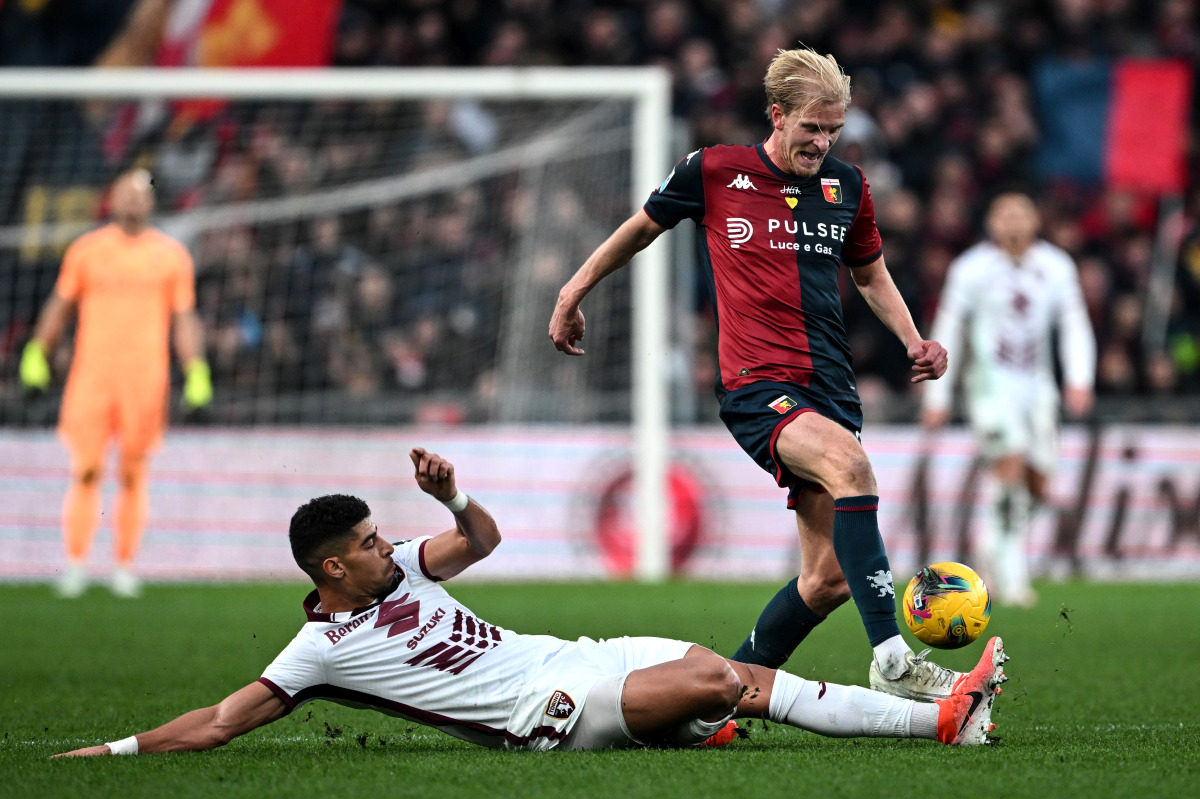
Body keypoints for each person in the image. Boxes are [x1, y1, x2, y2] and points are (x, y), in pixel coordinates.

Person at [55, 447, 1008, 758]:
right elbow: (223, 721)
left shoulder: (405, 569)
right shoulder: (317, 655)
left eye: (383, 535)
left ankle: (940, 722)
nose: (386, 549)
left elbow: (480, 541)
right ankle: (940, 718)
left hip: (567, 653)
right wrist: (114, 750)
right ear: (329, 573)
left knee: (740, 677)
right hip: (540, 713)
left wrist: (451, 500)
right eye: (366, 546)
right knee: (729, 679)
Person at [549, 47, 956, 701]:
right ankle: (893, 661)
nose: (821, 143)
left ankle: (722, 696)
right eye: (810, 129)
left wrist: (914, 339)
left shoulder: (847, 186)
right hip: (757, 385)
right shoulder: (714, 171)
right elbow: (640, 229)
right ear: (777, 116)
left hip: (831, 389)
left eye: (833, 131)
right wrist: (573, 292)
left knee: (827, 579)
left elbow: (870, 273)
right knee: (852, 468)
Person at [19, 169, 212, 599]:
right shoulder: (87, 250)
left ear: (152, 203)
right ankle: (75, 565)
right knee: (85, 471)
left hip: (146, 381)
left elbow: (184, 318)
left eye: (141, 194)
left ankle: (124, 566)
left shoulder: (170, 255)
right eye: (126, 192)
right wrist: (37, 353)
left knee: (132, 474)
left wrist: (196, 371)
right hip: (91, 378)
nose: (133, 200)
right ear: (112, 198)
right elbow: (61, 305)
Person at [921, 191, 1096, 608]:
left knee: (1038, 483)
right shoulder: (972, 269)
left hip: (1037, 390)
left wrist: (1079, 378)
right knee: (1010, 465)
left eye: (1022, 214)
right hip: (989, 389)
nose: (1014, 223)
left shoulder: (1056, 266)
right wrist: (937, 393)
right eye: (1006, 215)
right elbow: (950, 328)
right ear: (992, 223)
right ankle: (1011, 575)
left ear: (1036, 221)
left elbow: (1074, 322)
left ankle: (989, 541)